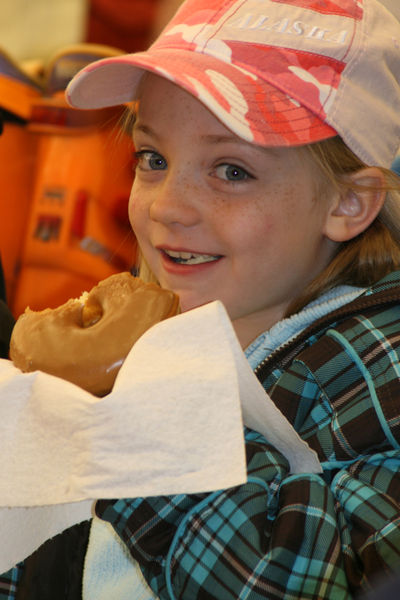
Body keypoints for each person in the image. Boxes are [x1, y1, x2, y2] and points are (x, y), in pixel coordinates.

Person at [1, 0, 400, 598]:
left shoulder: (373, 370)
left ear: (348, 203)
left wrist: (135, 415)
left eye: (231, 171)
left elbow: (306, 581)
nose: (165, 207)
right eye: (153, 159)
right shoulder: (139, 330)